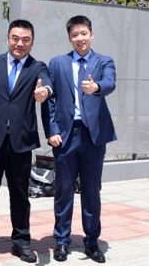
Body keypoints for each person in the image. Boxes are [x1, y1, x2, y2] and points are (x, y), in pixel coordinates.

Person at [42, 15, 116, 264]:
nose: (80, 38)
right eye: (75, 35)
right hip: (66, 135)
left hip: (93, 136)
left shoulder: (104, 61)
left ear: (91, 35)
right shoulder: (58, 63)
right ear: (69, 38)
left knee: (91, 190)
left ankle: (92, 242)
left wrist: (97, 88)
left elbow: (110, 82)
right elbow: (50, 99)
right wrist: (52, 130)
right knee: (63, 190)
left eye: (83, 33)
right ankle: (62, 241)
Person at [0, 19, 52, 264]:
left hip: (21, 142)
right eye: (15, 38)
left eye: (25, 39)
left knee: (20, 195)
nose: (20, 43)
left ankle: (21, 242)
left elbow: (47, 84)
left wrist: (44, 91)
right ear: (8, 38)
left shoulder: (37, 66)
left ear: (32, 42)